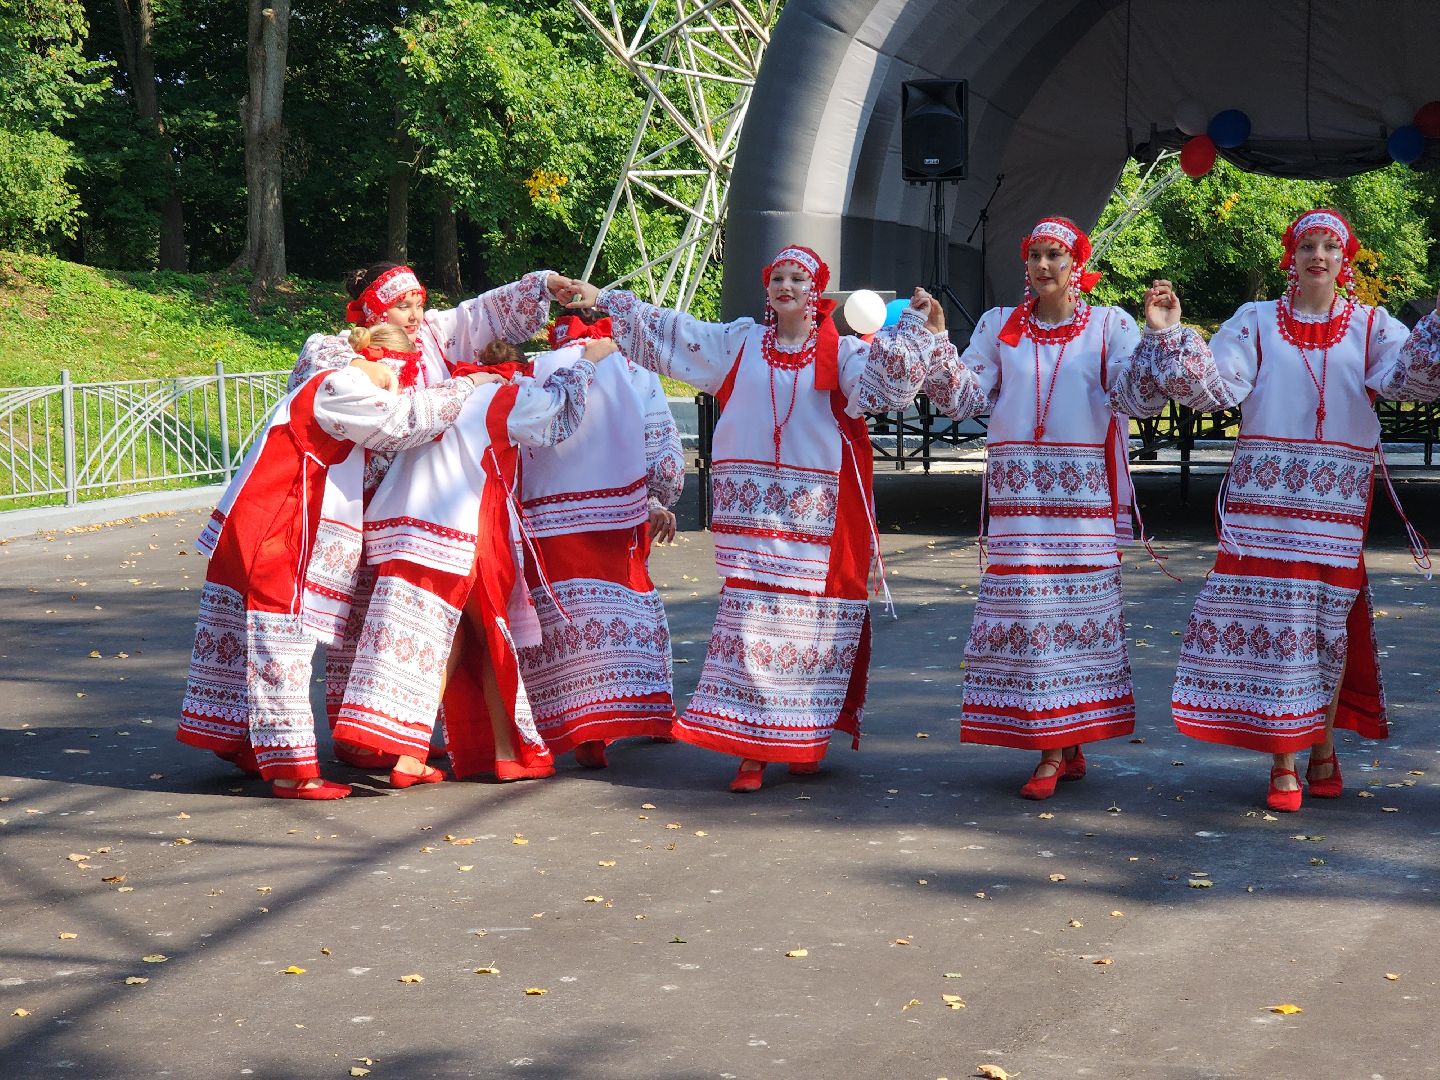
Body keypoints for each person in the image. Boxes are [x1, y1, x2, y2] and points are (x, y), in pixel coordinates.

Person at [567, 246, 941, 791]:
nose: (786, 286)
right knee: (750, 623)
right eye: (777, 278)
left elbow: (889, 386)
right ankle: (752, 751)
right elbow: (672, 330)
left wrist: (913, 328)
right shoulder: (740, 342)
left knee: (811, 631)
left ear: (818, 294)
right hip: (753, 514)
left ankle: (804, 738)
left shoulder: (842, 355)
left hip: (817, 515)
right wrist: (603, 300)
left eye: (798, 279)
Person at [1134, 208, 1440, 811]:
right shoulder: (1256, 322)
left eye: (1330, 245)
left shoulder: (1372, 326)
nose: (1318, 255)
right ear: (1291, 257)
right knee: (1278, 632)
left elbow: (1413, 379)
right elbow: (1215, 390)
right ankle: (1283, 762)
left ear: (1344, 257)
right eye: (1307, 245)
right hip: (1265, 508)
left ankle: (1321, 744)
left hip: (1334, 504)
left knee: (1325, 631)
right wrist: (1172, 333)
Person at [285, 262, 578, 771]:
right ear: (373, 310)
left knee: (416, 626)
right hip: (356, 500)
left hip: (412, 503)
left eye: (419, 302)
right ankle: (370, 738)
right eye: (403, 305)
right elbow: (385, 423)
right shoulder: (335, 352)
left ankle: (393, 738)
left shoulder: (435, 339)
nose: (416, 314)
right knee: (368, 625)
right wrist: (467, 391)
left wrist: (540, 286)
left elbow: (479, 314)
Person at [919, 216, 1169, 800]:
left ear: (1077, 264)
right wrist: (935, 341)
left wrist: (1160, 338)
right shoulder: (998, 325)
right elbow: (964, 400)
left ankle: (1055, 750)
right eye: (1035, 256)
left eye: (1056, 255)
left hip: (1081, 505)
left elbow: (1139, 400)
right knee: (1034, 622)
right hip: (1020, 505)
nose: (1044, 267)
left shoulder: (1109, 326)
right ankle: (1061, 742)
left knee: (1069, 625)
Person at [176, 350, 501, 798]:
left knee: (244, 642)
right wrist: (466, 388)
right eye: (389, 371)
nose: (389, 381)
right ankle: (292, 771)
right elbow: (401, 423)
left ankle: (245, 745)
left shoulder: (325, 390)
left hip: (263, 520)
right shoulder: (338, 386)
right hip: (280, 526)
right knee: (281, 645)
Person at [331, 336, 617, 786]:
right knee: (491, 636)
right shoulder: (504, 396)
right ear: (520, 370)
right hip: (466, 529)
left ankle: (408, 755)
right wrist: (588, 361)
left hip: (403, 528)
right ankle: (506, 753)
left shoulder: (442, 390)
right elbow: (558, 413)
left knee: (448, 640)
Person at [513, 313, 686, 770]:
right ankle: (640, 715)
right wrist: (657, 498)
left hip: (543, 513)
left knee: (557, 619)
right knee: (626, 611)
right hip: (616, 511)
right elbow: (661, 443)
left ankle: (567, 725)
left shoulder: (537, 368)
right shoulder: (634, 371)